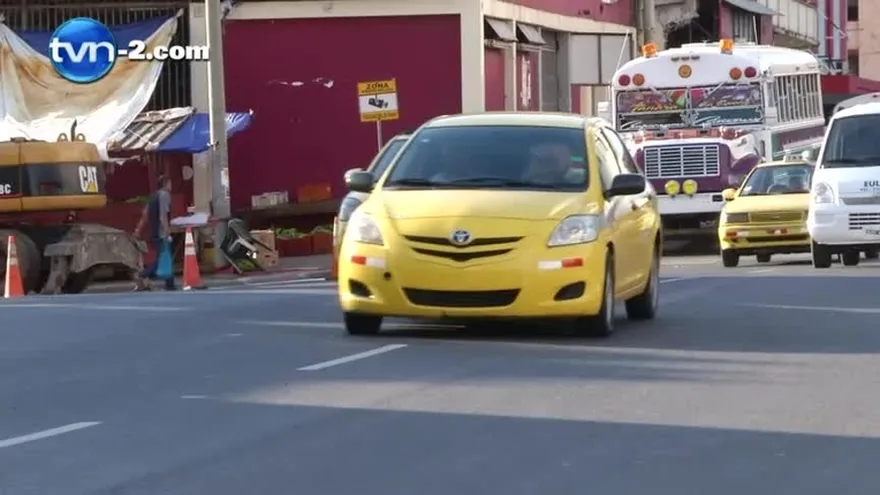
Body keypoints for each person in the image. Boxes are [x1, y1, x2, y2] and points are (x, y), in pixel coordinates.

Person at [132, 176, 177, 291]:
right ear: (166, 184)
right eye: (170, 183)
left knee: (166, 257)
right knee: (163, 258)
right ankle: (143, 274)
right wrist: (167, 229)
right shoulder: (164, 195)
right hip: (161, 232)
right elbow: (163, 214)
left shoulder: (153, 197)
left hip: (154, 231)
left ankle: (170, 284)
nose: (171, 186)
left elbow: (145, 214)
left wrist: (138, 230)